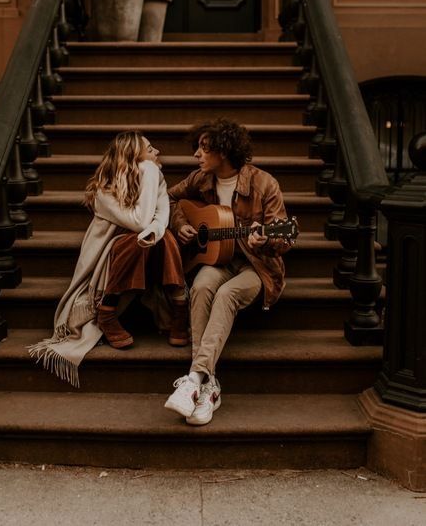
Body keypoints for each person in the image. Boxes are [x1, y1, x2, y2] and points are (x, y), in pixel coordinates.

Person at [29, 131, 188, 387]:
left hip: (144, 250)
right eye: (149, 149)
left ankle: (180, 308)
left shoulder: (155, 181)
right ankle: (107, 310)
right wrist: (149, 172)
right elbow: (138, 222)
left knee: (166, 238)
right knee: (138, 240)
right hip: (110, 254)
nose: (156, 152)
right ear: (133, 157)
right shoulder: (105, 191)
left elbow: (160, 219)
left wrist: (154, 232)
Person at [164, 117, 293, 425]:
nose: (196, 154)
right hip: (220, 261)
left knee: (226, 294)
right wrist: (181, 224)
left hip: (256, 266)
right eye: (197, 148)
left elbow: (285, 238)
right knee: (201, 286)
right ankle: (208, 388)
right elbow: (169, 198)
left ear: (223, 151)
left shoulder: (264, 183)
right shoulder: (201, 179)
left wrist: (265, 239)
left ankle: (195, 379)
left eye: (204, 148)